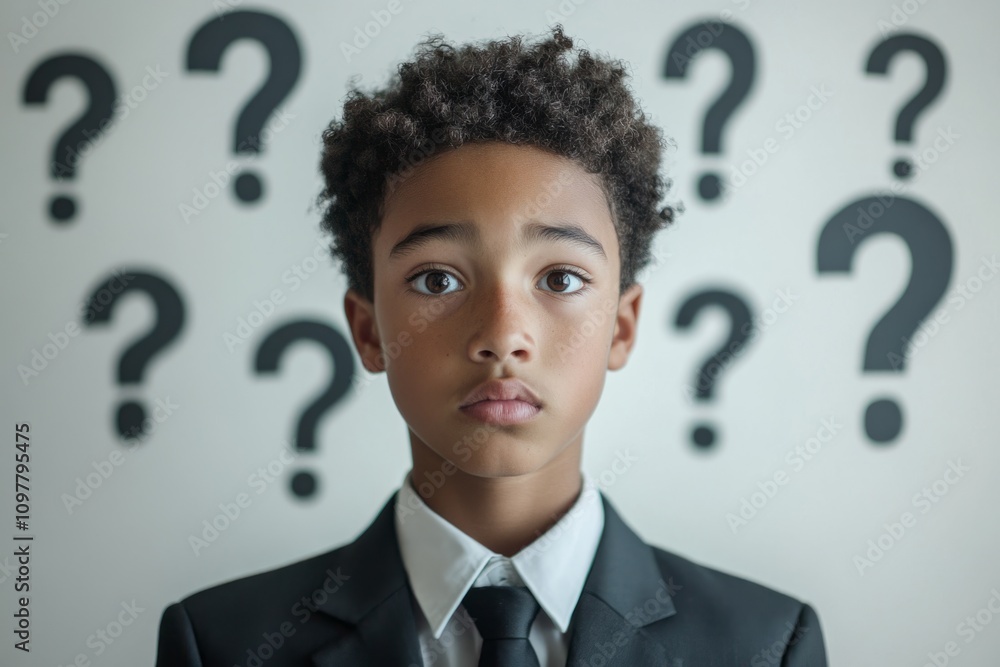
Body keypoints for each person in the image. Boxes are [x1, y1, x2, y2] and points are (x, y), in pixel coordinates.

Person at [155, 24, 827, 666]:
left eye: (560, 278)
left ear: (621, 327)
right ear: (369, 330)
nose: (503, 335)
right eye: (437, 279)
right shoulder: (223, 644)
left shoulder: (765, 646)